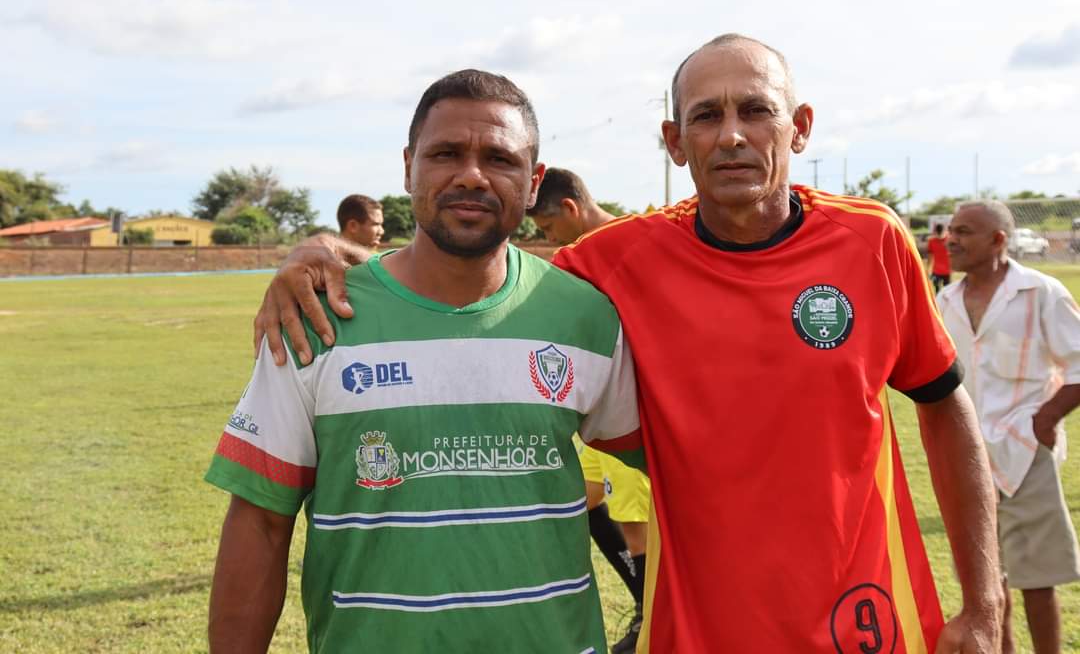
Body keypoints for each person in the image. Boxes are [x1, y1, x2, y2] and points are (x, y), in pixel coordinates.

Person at [253, 34, 1003, 652]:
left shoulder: (872, 241)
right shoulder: (616, 264)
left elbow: (945, 404)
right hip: (698, 630)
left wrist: (984, 596)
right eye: (706, 116)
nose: (733, 134)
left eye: (756, 110)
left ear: (799, 126)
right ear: (675, 142)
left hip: (864, 615)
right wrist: (317, 249)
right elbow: (470, 266)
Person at [206, 69, 643, 653]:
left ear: (533, 181)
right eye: (445, 154)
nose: (471, 174)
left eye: (499, 158)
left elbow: (678, 474)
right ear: (408, 166)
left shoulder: (585, 316)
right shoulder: (316, 316)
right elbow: (260, 522)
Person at [937, 200, 1080, 654]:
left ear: (998, 240)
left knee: (1037, 583)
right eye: (951, 231)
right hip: (966, 459)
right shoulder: (945, 300)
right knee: (984, 587)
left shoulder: (1042, 291)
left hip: (1023, 454)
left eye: (963, 232)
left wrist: (1045, 420)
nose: (950, 240)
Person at [529, 167, 650, 653]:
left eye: (546, 227)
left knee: (636, 524)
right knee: (588, 500)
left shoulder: (641, 245)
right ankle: (647, 605)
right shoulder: (572, 263)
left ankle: (652, 622)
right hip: (594, 414)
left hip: (637, 412)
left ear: (571, 209)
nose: (547, 238)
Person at [927, 222, 952, 293]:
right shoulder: (931, 241)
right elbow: (930, 256)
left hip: (947, 271)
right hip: (936, 271)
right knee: (937, 289)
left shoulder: (949, 239)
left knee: (947, 291)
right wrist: (928, 268)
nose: (939, 235)